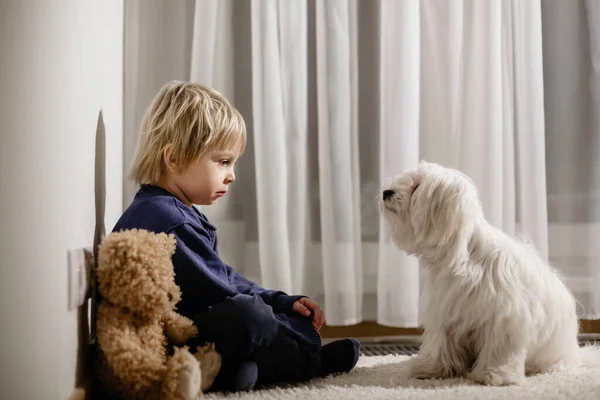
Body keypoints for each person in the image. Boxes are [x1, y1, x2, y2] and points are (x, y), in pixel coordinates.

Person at [112, 81, 360, 392]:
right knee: (250, 317)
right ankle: (311, 362)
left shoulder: (170, 208)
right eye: (223, 161)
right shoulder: (170, 220)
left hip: (185, 334)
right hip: (166, 343)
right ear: (173, 159)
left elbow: (222, 276)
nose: (232, 175)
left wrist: (279, 301)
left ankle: (227, 374)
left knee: (255, 316)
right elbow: (221, 292)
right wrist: (279, 319)